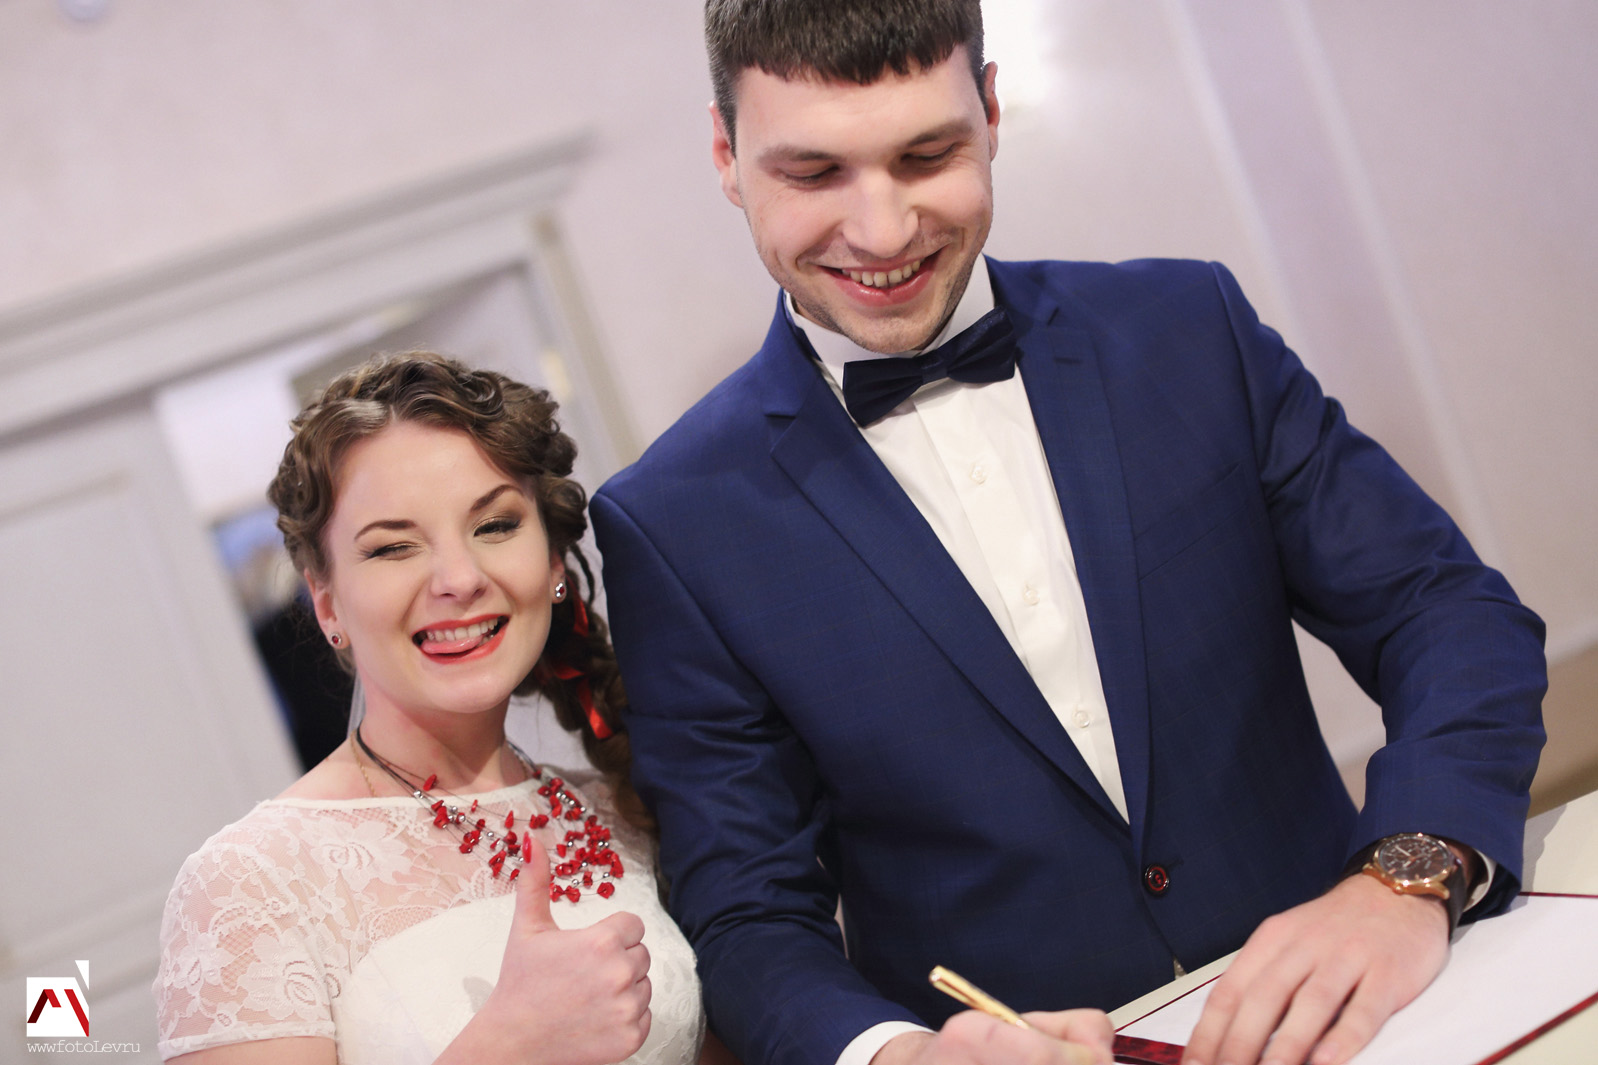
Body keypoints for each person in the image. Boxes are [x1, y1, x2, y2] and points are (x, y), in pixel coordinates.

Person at [588, 4, 1547, 1065]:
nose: (883, 230)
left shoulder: (1189, 329)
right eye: (813, 174)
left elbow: (1441, 611)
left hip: (1375, 1021)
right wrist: (898, 1056)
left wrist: (1406, 877)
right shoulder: (671, 520)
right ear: (726, 156)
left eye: (926, 156)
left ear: (992, 109)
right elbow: (747, 912)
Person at [154, 352, 710, 1065]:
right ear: (327, 602)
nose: (458, 578)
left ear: (552, 562)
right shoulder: (252, 882)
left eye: (495, 526)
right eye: (393, 547)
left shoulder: (622, 809)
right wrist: (509, 1045)